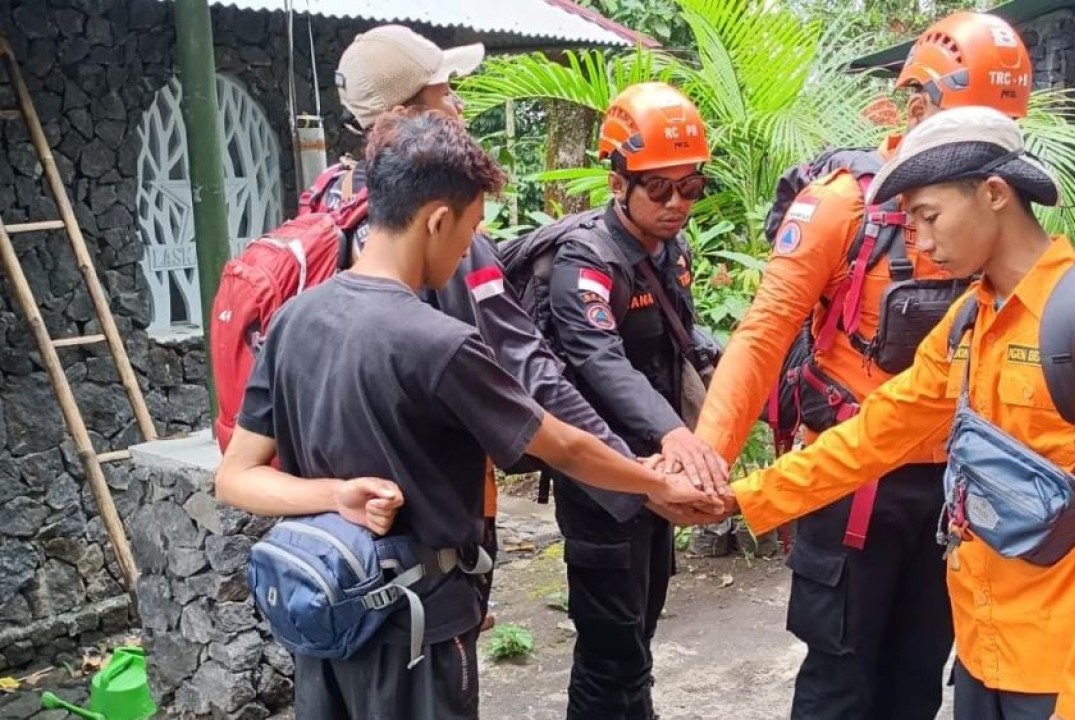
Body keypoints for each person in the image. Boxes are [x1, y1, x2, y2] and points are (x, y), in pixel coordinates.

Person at [215, 109, 719, 720]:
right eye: (471, 229)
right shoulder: (440, 343)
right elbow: (562, 446)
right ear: (437, 220)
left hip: (324, 615)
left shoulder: (296, 319)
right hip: (416, 625)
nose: (468, 253)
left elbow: (236, 477)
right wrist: (655, 484)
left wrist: (335, 496)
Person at [726, 105, 1075, 720]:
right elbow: (878, 431)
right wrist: (745, 497)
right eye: (911, 222)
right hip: (980, 654)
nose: (922, 242)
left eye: (929, 216)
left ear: (994, 193)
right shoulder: (970, 319)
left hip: (1063, 671)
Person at [693, 12, 1034, 719]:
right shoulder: (841, 206)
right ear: (916, 111)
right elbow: (764, 332)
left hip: (956, 486)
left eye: (1001, 132)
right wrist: (707, 460)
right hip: (851, 481)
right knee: (839, 680)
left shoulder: (1000, 216)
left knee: (918, 677)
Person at [324, 24, 697, 627]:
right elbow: (531, 372)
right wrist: (634, 477)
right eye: (445, 92)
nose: (459, 105)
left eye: (691, 186)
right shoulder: (448, 235)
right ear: (405, 117)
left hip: (336, 521)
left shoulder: (334, 211)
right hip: (424, 516)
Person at [535, 82, 728, 720]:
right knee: (609, 651)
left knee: (640, 636)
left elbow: (680, 339)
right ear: (618, 182)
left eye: (690, 188)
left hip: (659, 474)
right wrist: (674, 434)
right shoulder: (585, 260)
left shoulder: (669, 250)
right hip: (603, 480)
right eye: (659, 189)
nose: (677, 204)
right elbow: (599, 358)